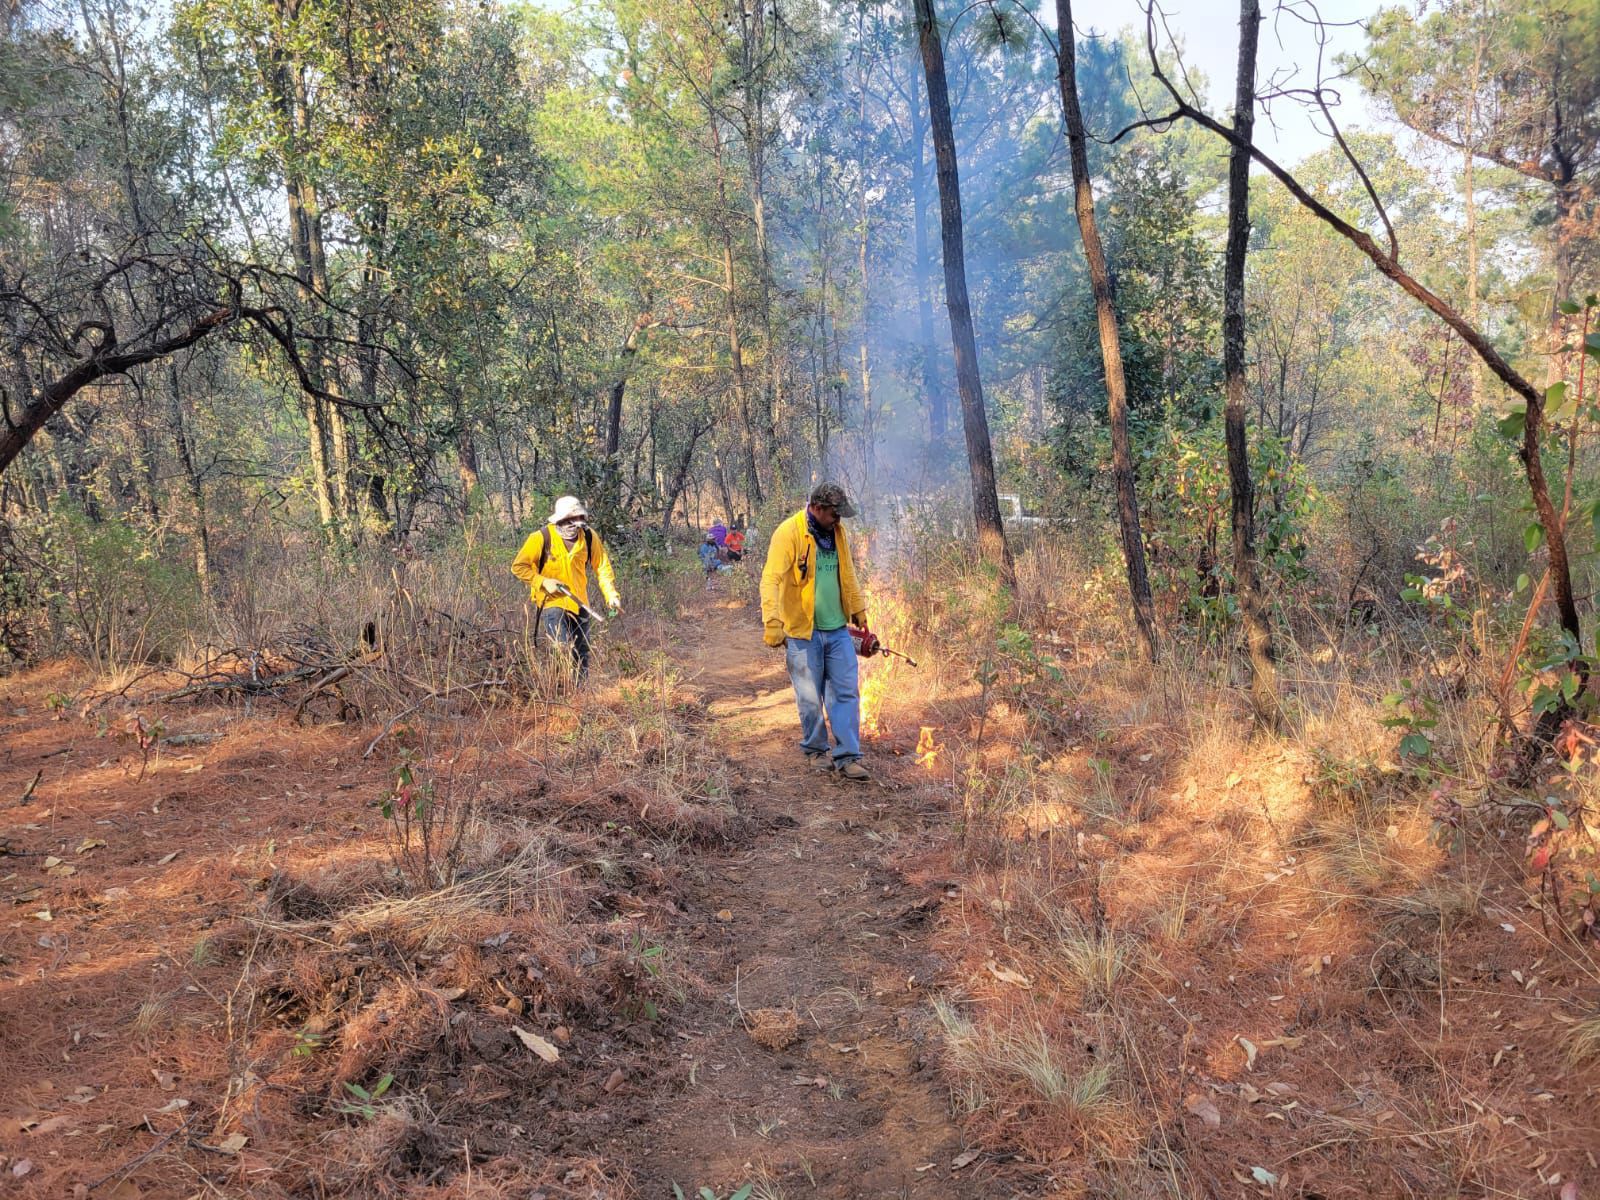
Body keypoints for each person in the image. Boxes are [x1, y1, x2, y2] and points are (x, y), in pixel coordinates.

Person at [760, 481, 870, 781]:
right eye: (835, 514)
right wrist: (772, 620)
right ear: (817, 509)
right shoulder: (789, 533)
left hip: (838, 631)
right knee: (810, 697)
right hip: (802, 632)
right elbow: (770, 578)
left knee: (846, 693)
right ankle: (816, 750)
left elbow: (847, 572)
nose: (838, 520)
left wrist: (858, 608)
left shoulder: (838, 533)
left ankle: (848, 756)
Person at [510, 495, 621, 679]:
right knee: (560, 648)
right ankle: (559, 691)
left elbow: (602, 567)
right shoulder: (540, 538)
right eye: (570, 519)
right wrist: (543, 582)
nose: (575, 524)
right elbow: (518, 567)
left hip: (580, 603)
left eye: (579, 519)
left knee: (581, 651)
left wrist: (611, 595)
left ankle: (580, 693)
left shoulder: (589, 537)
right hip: (551, 602)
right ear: (560, 519)